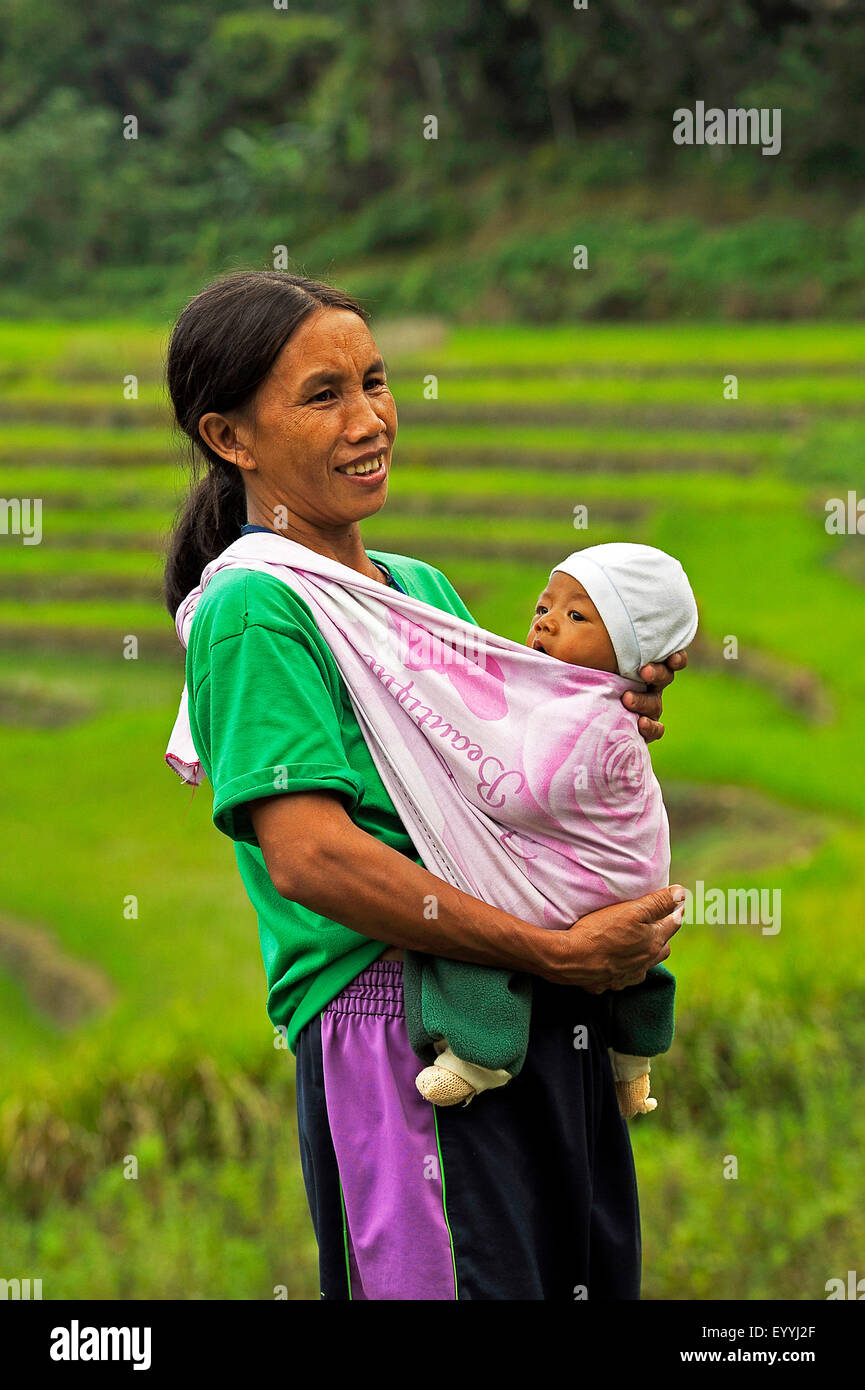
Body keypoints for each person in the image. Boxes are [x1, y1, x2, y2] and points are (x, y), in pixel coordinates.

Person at [163, 269, 688, 1301]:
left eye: (375, 381)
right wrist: (552, 948)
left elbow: (505, 787)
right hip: (399, 1033)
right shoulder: (258, 612)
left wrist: (606, 714)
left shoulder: (417, 591)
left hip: (533, 1011)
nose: (368, 421)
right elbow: (309, 856)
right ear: (232, 438)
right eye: (323, 397)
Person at [409, 541, 699, 1116]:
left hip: (584, 878)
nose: (544, 621)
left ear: (630, 651)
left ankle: (477, 1057)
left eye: (575, 616)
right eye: (544, 608)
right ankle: (632, 1070)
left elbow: (533, 788)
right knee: (641, 969)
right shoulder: (603, 702)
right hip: (635, 880)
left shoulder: (594, 711)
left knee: (472, 913)